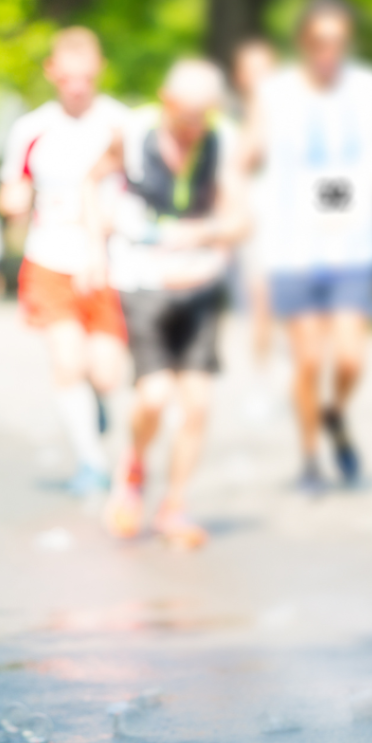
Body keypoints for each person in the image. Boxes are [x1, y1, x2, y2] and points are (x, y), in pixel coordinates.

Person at [88, 60, 247, 547]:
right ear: (166, 100)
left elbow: (240, 217)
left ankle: (175, 505)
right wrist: (96, 246)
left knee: (197, 404)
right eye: (186, 113)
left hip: (198, 281)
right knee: (154, 396)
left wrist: (206, 240)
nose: (193, 125)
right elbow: (95, 180)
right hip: (141, 278)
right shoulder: (133, 132)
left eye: (204, 114)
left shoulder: (224, 143)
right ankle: (132, 471)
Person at [243, 0, 372, 492]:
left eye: (339, 43)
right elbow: (247, 152)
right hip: (294, 247)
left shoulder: (370, 87)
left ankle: (334, 412)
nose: (330, 52)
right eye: (320, 42)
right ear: (303, 44)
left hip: (352, 247)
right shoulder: (274, 93)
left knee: (351, 359)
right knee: (307, 360)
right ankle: (309, 457)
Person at [0, 28, 129, 496]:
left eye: (86, 77)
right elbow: (12, 188)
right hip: (49, 258)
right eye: (68, 77)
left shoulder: (121, 124)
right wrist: (12, 198)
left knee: (107, 373)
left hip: (109, 264)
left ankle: (96, 404)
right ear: (53, 72)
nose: (77, 86)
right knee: (67, 361)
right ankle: (91, 463)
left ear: (98, 72)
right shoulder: (33, 128)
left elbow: (143, 191)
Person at [231, 39, 279, 371]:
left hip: (296, 221)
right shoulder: (233, 119)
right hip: (256, 220)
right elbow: (241, 161)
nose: (262, 79)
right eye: (254, 72)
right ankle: (263, 373)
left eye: (267, 70)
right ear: (241, 77)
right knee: (261, 299)